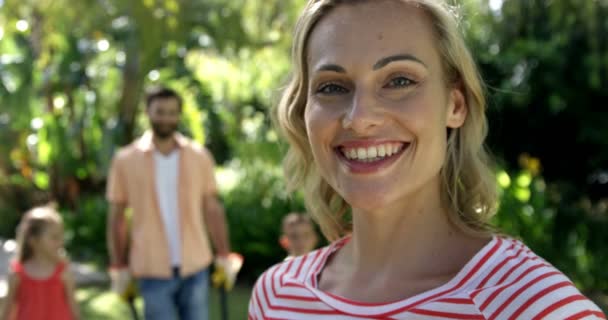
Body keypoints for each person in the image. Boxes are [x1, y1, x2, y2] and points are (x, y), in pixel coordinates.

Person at [248, 0, 606, 318]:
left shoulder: (531, 306)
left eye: (399, 80)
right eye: (331, 87)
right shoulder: (276, 297)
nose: (359, 118)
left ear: (455, 105)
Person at [106, 86, 230, 320]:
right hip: (152, 269)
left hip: (196, 265)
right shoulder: (125, 160)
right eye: (160, 111)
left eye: (172, 112)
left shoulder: (199, 156)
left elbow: (212, 208)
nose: (166, 118)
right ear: (148, 112)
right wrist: (118, 266)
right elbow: (117, 218)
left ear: (179, 115)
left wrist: (224, 254)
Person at [1, 206, 79, 320]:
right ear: (33, 240)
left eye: (61, 236)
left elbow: (74, 310)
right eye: (54, 237)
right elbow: (7, 312)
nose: (61, 241)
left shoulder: (64, 272)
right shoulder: (17, 274)